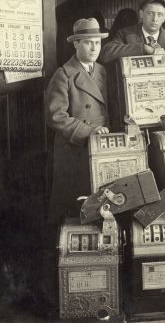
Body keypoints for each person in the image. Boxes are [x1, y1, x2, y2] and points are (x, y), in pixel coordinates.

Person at [45, 18, 110, 225]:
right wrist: (88, 131)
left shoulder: (102, 71)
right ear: (76, 44)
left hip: (99, 148)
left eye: (97, 43)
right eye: (87, 42)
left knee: (99, 204)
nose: (94, 48)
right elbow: (55, 116)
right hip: (74, 149)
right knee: (71, 208)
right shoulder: (64, 74)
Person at [99, 0, 165, 70]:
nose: (155, 19)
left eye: (160, 15)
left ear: (164, 18)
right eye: (150, 13)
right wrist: (142, 48)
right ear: (141, 14)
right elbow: (105, 54)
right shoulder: (124, 34)